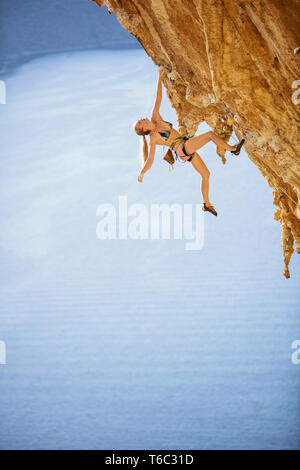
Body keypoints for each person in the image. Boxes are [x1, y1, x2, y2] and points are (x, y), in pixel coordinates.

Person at [133, 66, 245, 216]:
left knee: (206, 174)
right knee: (210, 135)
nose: (141, 119)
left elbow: (158, 98)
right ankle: (233, 149)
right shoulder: (153, 139)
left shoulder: (155, 118)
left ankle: (206, 204)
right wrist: (142, 173)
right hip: (182, 148)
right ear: (144, 130)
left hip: (185, 147)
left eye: (139, 120)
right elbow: (150, 160)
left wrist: (159, 76)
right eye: (139, 123)